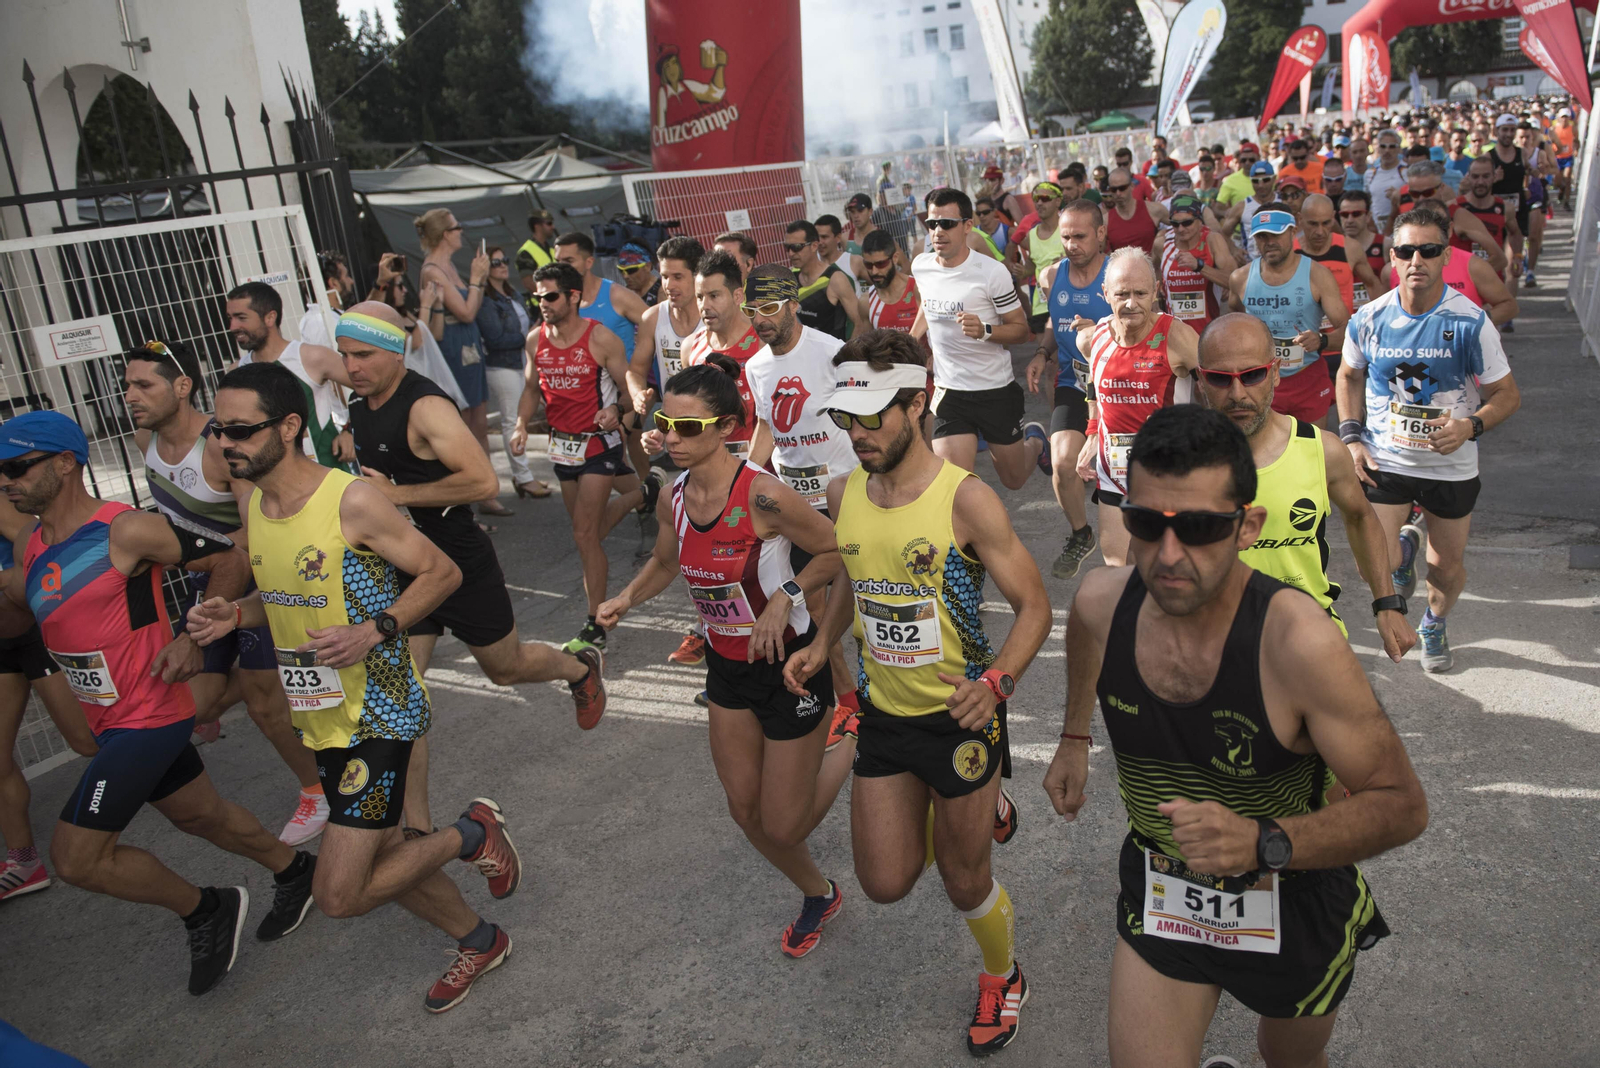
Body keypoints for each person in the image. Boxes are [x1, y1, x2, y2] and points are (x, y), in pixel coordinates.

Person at [1043, 404, 1429, 1068]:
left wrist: (1262, 840)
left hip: (1291, 892)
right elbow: (1084, 634)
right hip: (1165, 885)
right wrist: (1073, 737)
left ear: (1247, 526)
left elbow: (1401, 804)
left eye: (1197, 528)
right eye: (1145, 523)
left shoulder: (1297, 642)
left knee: (1292, 1061)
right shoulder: (1101, 600)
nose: (1167, 556)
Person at [189, 362, 522, 1013]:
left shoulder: (350, 500)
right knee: (386, 855)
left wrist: (376, 630)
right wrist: (237, 614)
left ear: (288, 427)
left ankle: (469, 833)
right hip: (320, 713)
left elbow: (441, 571)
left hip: (379, 712)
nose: (225, 443)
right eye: (217, 429)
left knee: (342, 892)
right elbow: (284, 597)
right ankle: (479, 939)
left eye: (239, 430)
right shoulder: (255, 502)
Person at [783, 329, 1052, 1057]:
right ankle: (983, 802)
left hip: (960, 722)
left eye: (875, 415)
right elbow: (851, 574)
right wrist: (821, 642)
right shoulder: (846, 493)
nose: (858, 432)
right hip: (885, 720)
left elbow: (1035, 607)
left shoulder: (966, 501)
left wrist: (996, 684)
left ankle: (1004, 975)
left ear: (917, 402)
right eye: (848, 416)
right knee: (885, 881)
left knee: (966, 884)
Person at [0, 410, 310, 995]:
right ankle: (296, 870)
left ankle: (206, 909)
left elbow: (229, 560)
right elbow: (20, 605)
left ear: (66, 464)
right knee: (202, 816)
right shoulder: (31, 542)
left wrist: (192, 637)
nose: (4, 480)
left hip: (148, 716)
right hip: (110, 722)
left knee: (77, 858)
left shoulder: (124, 529)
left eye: (17, 467)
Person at [597, 355, 852, 959]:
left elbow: (835, 549)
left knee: (785, 824)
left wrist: (784, 597)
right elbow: (663, 561)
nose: (673, 438)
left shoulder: (764, 495)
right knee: (746, 811)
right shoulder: (674, 498)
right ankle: (820, 893)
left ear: (726, 428)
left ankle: (852, 739)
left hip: (787, 665)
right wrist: (626, 599)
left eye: (690, 428)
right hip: (727, 669)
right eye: (667, 423)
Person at [339, 302, 609, 836]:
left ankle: (580, 670)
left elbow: (483, 483)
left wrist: (396, 494)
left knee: (504, 669)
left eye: (364, 354)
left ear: (395, 351)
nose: (352, 366)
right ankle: (417, 829)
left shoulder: (425, 408)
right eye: (345, 355)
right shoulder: (361, 403)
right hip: (402, 565)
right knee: (403, 697)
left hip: (456, 560)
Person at [125, 340, 327, 845]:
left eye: (143, 385)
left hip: (252, 575)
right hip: (206, 578)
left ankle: (316, 792)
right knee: (200, 701)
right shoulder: (142, 437)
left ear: (182, 386)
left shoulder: (220, 443)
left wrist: (186, 551)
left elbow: (254, 529)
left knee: (264, 706)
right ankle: (275, 685)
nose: (130, 396)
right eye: (126, 386)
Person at [1337, 207, 1521, 673]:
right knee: (1370, 562)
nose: (1416, 260)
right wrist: (1352, 437)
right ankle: (1403, 552)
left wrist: (1470, 426)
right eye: (1405, 251)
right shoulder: (1368, 319)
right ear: (1392, 259)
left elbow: (1506, 395)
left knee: (1444, 570)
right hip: (1386, 459)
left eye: (1429, 250)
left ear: (1445, 256)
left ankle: (1435, 621)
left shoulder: (1470, 322)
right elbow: (1348, 376)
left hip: (1451, 467)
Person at [1195, 314, 1416, 662]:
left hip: (1308, 643)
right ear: (1200, 380)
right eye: (1220, 379)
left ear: (1276, 372)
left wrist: (1387, 603)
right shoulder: (1178, 462)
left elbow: (1360, 517)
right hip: (1212, 651)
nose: (1238, 393)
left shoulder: (1322, 450)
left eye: (1252, 375)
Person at [741, 266, 864, 742]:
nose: (760, 320)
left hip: (846, 494)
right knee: (813, 608)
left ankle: (884, 687)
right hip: (796, 505)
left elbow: (862, 415)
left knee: (864, 596)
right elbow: (770, 426)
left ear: (793, 304)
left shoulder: (831, 353)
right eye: (753, 311)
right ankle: (847, 702)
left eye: (770, 308)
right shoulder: (756, 367)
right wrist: (745, 479)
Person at [511, 264, 655, 650]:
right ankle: (642, 495)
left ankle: (595, 621)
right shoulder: (534, 341)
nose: (543, 303)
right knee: (589, 534)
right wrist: (521, 425)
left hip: (599, 443)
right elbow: (529, 389)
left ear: (574, 296)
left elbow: (628, 390)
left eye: (551, 295)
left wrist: (617, 412)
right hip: (562, 447)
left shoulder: (601, 338)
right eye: (537, 296)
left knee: (585, 534)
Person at [909, 188, 1049, 490]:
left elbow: (1020, 330)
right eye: (932, 224)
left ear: (967, 226)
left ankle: (1036, 441)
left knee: (1013, 481)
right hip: (950, 393)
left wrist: (985, 330)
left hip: (994, 390)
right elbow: (928, 304)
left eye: (947, 223)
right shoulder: (921, 266)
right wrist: (912, 338)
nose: (938, 232)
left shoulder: (991, 273)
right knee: (953, 484)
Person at [1074, 247, 1200, 568]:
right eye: (1122, 294)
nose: (1131, 304)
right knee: (1120, 574)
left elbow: (1219, 389)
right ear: (1105, 294)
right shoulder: (1092, 338)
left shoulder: (1178, 338)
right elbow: (1094, 379)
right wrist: (1091, 431)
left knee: (1167, 573)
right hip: (1114, 475)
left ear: (1156, 291)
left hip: (1169, 480)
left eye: (1141, 293)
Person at [0, 495, 93, 902]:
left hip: (30, 629)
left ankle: (164, 749)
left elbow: (35, 541)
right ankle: (23, 862)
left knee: (86, 741)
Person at [1026, 198, 1110, 579]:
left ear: (1100, 234)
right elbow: (1051, 324)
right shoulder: (1050, 276)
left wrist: (1101, 332)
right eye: (1065, 236)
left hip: (1119, 386)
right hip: (1074, 383)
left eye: (1080, 235)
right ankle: (1081, 533)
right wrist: (1042, 353)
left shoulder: (1118, 275)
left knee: (1124, 473)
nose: (1071, 243)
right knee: (1061, 465)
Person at [414, 209, 514, 521]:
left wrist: (476, 281)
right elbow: (468, 311)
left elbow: (469, 308)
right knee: (462, 423)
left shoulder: (447, 266)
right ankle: (465, 495)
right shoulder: (433, 270)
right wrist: (475, 280)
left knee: (480, 422)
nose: (461, 232)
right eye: (457, 227)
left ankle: (487, 491)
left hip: (469, 345)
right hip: (453, 347)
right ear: (445, 233)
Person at [1227, 206, 1348, 425]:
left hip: (1307, 377)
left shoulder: (1318, 275)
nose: (1269, 242)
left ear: (1293, 232)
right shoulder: (1240, 279)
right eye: (1262, 237)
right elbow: (1235, 318)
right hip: (1261, 380)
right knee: (1265, 455)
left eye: (1276, 234)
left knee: (1312, 449)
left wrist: (1321, 340)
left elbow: (1347, 330)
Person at [225, 282, 354, 470]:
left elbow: (371, 386)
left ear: (270, 317)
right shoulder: (237, 372)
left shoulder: (311, 357)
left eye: (241, 317)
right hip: (273, 485)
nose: (232, 326)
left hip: (326, 475)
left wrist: (350, 430)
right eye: (230, 318)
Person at [476, 246, 551, 500]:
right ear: (484, 268)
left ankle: (523, 476)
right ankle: (523, 477)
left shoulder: (513, 295)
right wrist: (527, 336)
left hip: (520, 362)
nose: (502, 265)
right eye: (495, 262)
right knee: (511, 421)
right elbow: (495, 338)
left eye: (504, 260)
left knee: (518, 420)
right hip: (501, 366)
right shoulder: (486, 301)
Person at [1295, 194, 1382, 387]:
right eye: (1312, 224)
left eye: (1326, 223)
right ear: (1300, 220)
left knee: (1353, 414)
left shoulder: (1349, 248)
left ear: (1334, 217)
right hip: (1304, 352)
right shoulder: (1290, 252)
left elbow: (1372, 284)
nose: (1320, 231)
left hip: (1344, 346)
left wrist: (1381, 324)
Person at [1158, 195, 1235, 337]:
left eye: (1187, 223)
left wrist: (1200, 267)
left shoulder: (1212, 240)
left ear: (1200, 221)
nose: (1181, 229)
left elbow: (1234, 282)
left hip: (1209, 331)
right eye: (1175, 224)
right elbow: (1153, 281)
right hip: (1174, 333)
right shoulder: (1162, 243)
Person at [1008, 180, 1068, 336]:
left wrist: (1066, 261)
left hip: (1067, 299)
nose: (1040, 203)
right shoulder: (1032, 235)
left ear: (1058, 201)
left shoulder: (1068, 228)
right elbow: (1033, 264)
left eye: (1045, 199)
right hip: (1041, 303)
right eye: (1036, 199)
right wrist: (1023, 271)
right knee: (1044, 353)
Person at [785, 219, 862, 340]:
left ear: (814, 246)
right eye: (787, 247)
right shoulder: (790, 278)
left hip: (832, 355)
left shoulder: (834, 279)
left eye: (796, 247)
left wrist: (848, 353)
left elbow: (860, 321)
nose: (790, 253)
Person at [1216, 163, 1277, 262]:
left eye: (1265, 180)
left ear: (1274, 179)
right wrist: (1234, 250)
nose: (1260, 185)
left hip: (1281, 261)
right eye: (1255, 181)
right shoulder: (1242, 206)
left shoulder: (1284, 201)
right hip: (1253, 263)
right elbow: (1223, 234)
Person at [1338, 190, 1388, 309]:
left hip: (1377, 313)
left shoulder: (1385, 244)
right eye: (1345, 215)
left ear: (1368, 216)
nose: (1350, 220)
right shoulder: (1332, 247)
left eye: (1356, 214)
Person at [1105, 168, 1167, 256]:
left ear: (1132, 186)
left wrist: (1162, 236)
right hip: (1122, 267)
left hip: (1152, 267)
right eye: (1113, 189)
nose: (1118, 193)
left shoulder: (1154, 209)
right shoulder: (1106, 221)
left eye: (1122, 188)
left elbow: (1181, 224)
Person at [1364, 129, 1406, 232]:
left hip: (1400, 225)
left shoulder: (1406, 171)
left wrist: (1401, 195)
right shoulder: (1370, 173)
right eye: (1383, 146)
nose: (1387, 150)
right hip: (1376, 227)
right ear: (1378, 148)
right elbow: (1367, 200)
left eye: (1392, 146)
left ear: (1398, 149)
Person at [515, 208, 557, 291]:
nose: (553, 227)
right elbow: (529, 283)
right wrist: (549, 297)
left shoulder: (551, 250)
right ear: (537, 226)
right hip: (541, 302)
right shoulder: (526, 252)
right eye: (549, 223)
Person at [814, 214, 858, 293]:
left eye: (824, 237)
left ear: (838, 238)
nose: (819, 242)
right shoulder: (810, 265)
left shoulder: (853, 262)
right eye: (817, 237)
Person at [618, 242, 662, 307]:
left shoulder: (663, 292)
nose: (625, 276)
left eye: (631, 270)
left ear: (647, 266)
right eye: (621, 271)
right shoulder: (624, 294)